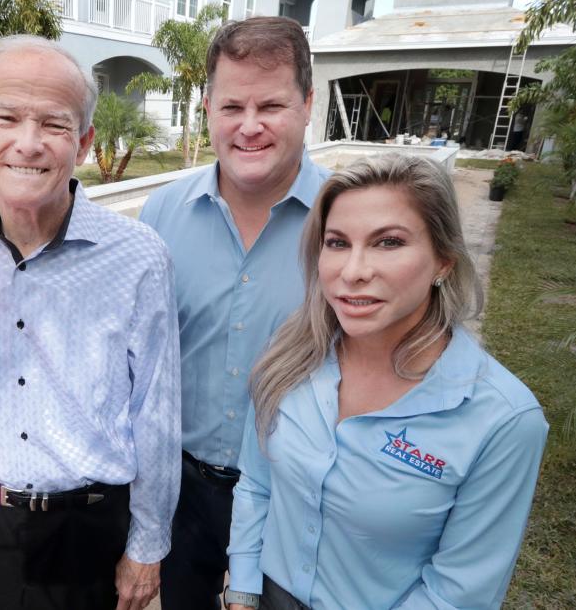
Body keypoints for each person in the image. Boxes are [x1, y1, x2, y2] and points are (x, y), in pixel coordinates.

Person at [0, 35, 180, 610]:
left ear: (82, 142)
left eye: (54, 125)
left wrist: (148, 544)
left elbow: (155, 410)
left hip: (90, 527)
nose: (27, 145)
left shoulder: (137, 255)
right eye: (7, 118)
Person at [226, 154, 548, 610]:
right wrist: (241, 591)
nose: (353, 270)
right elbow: (257, 485)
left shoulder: (502, 419)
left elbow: (458, 592)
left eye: (388, 242)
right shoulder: (291, 355)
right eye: (337, 243)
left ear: (443, 261)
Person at [139, 16, 329, 609]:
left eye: (271, 105)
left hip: (296, 496)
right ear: (207, 108)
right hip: (181, 491)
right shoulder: (161, 216)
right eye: (231, 107)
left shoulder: (347, 224)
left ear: (306, 104)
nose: (250, 127)